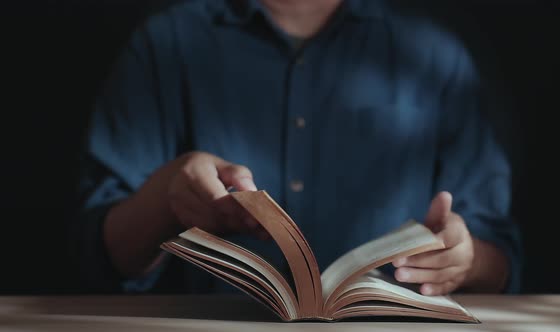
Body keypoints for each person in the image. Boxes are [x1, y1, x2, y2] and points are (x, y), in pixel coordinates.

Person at [75, 0, 521, 296]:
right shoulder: (167, 43)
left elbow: (501, 258)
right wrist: (169, 193)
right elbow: (101, 255)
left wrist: (465, 261)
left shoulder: (434, 54)